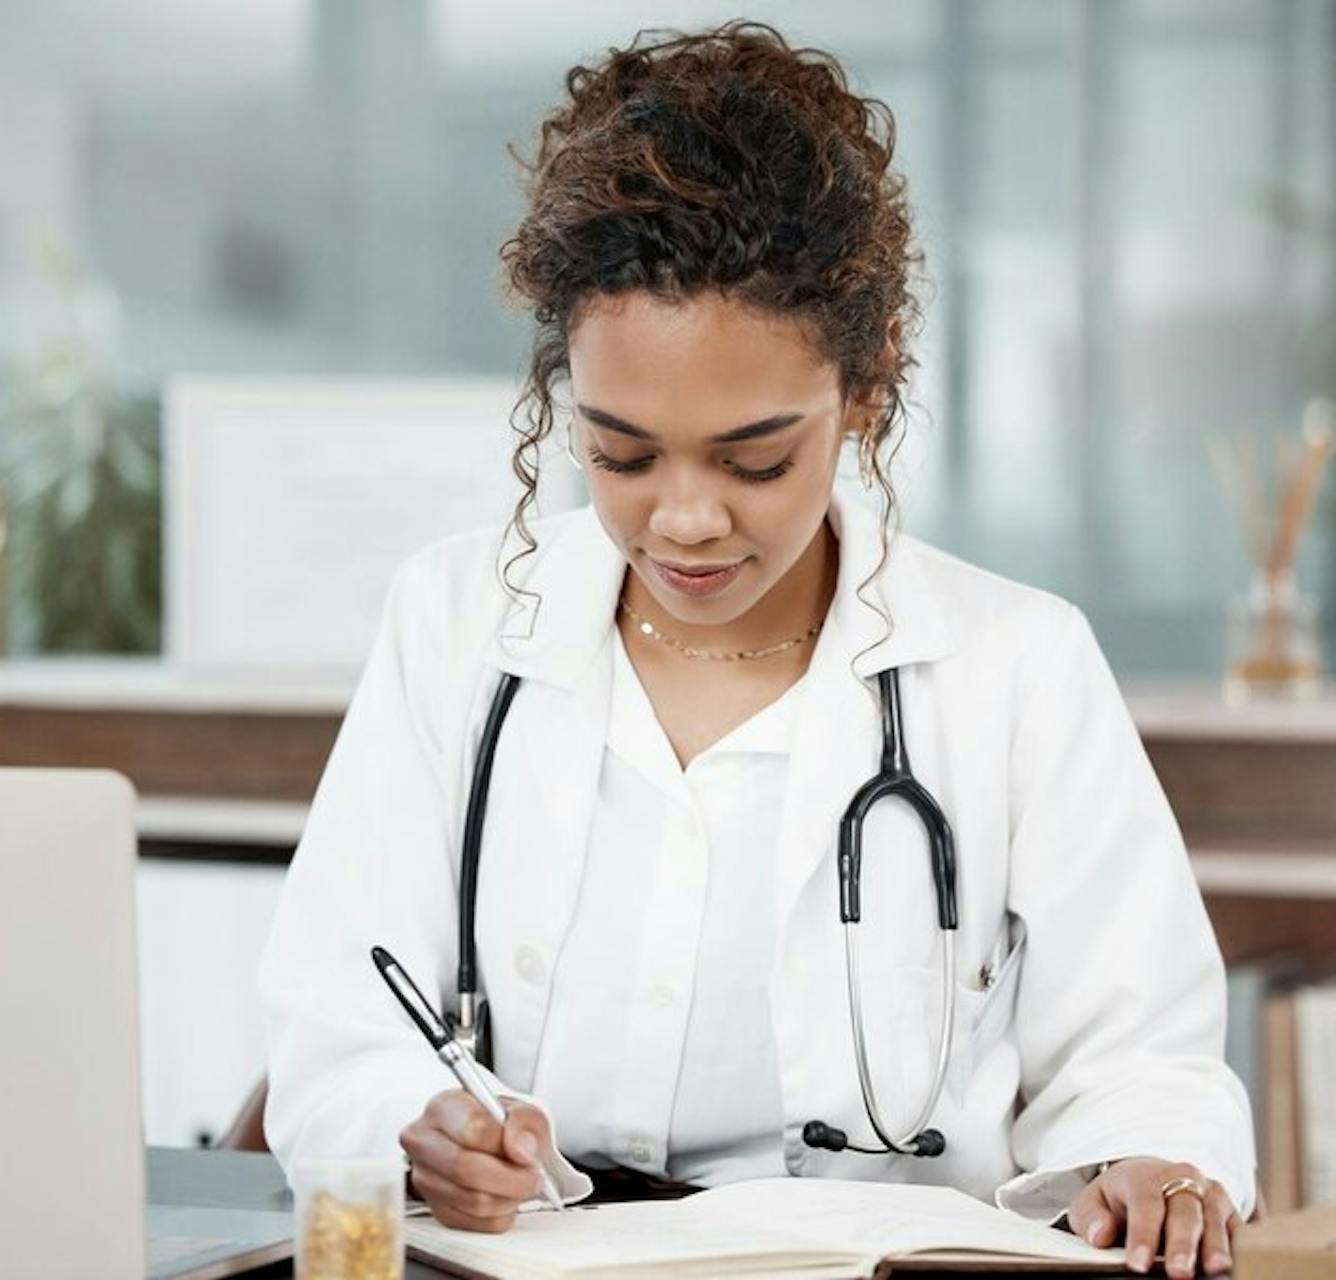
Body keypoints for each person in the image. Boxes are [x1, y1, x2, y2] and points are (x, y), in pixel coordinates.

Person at [261, 22, 1254, 1279]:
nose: (683, 517)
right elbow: (335, 1020)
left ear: (869, 389)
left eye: (755, 457)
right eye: (620, 451)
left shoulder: (1020, 666)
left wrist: (1150, 1155)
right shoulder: (456, 623)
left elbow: (1143, 1052)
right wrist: (413, 1126)